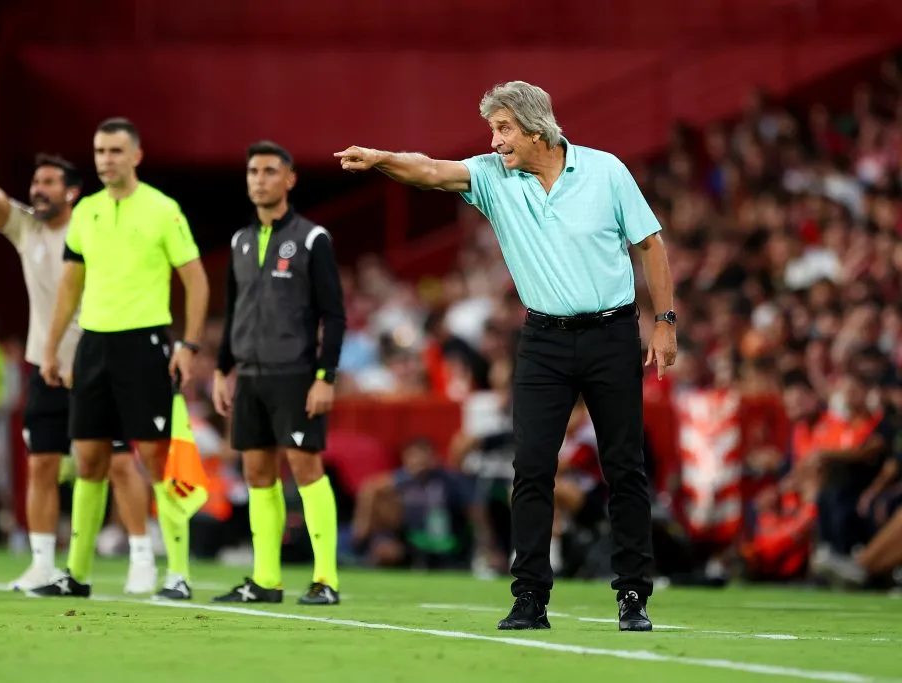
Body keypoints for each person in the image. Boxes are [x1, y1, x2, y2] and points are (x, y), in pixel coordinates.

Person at [336, 80, 677, 631]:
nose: (494, 141)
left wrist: (663, 322)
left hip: (612, 335)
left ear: (536, 127)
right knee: (532, 469)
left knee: (624, 468)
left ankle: (633, 595)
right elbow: (428, 170)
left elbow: (650, 246)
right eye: (492, 129)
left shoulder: (606, 171)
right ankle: (529, 597)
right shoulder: (494, 178)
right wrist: (382, 160)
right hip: (542, 340)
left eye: (503, 128)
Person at [0, 102, 156, 593]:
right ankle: (40, 563)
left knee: (118, 461)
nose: (37, 190)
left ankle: (142, 557)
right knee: (41, 463)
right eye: (36, 183)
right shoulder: (26, 228)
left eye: (49, 183)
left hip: (97, 364)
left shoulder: (99, 227)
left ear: (72, 192)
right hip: (45, 364)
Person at [29, 117, 210, 600]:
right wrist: (51, 348)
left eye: (115, 151)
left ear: (136, 156)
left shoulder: (162, 209)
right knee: (87, 459)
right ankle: (77, 574)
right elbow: (70, 284)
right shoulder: (85, 211)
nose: (106, 159)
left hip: (144, 344)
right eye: (100, 151)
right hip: (93, 345)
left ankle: (177, 574)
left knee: (154, 458)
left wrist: (188, 345)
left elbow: (195, 280)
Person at [211, 140, 345, 605]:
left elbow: (335, 315)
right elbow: (233, 312)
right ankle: (265, 580)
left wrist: (325, 377)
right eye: (253, 172)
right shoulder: (240, 241)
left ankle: (326, 579)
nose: (259, 179)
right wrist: (221, 369)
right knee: (256, 473)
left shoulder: (312, 239)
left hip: (296, 374)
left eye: (270, 171)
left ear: (289, 179)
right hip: (249, 375)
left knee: (307, 469)